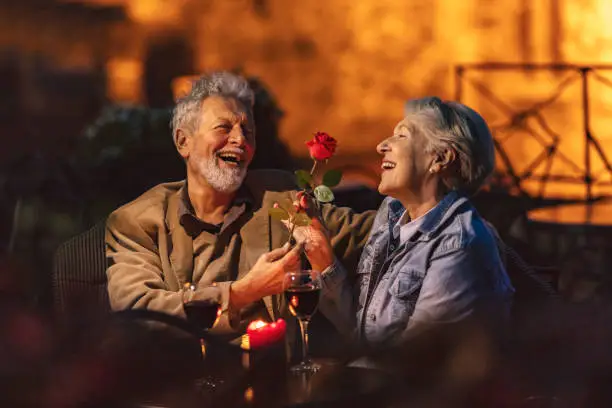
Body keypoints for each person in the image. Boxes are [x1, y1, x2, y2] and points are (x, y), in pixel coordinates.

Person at [105, 72, 373, 342]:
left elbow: (373, 231)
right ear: (183, 141)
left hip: (273, 378)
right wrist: (243, 292)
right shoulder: (137, 222)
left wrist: (409, 189)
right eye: (224, 127)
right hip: (185, 379)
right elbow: (139, 312)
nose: (240, 140)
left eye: (248, 131)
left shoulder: (280, 198)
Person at [299, 97, 514, 349]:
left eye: (402, 136)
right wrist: (324, 263)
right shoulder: (392, 215)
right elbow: (364, 334)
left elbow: (410, 360)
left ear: (440, 159)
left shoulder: (460, 244)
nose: (381, 146)